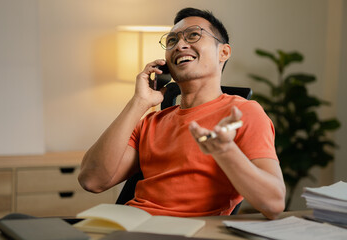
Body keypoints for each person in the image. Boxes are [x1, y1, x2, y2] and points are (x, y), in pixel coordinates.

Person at [78, 7, 286, 220]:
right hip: (130, 226)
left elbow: (274, 204)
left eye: (193, 35)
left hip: (189, 231)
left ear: (223, 52)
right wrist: (139, 102)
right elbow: (92, 181)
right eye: (171, 41)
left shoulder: (242, 114)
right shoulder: (151, 122)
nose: (180, 45)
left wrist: (225, 151)